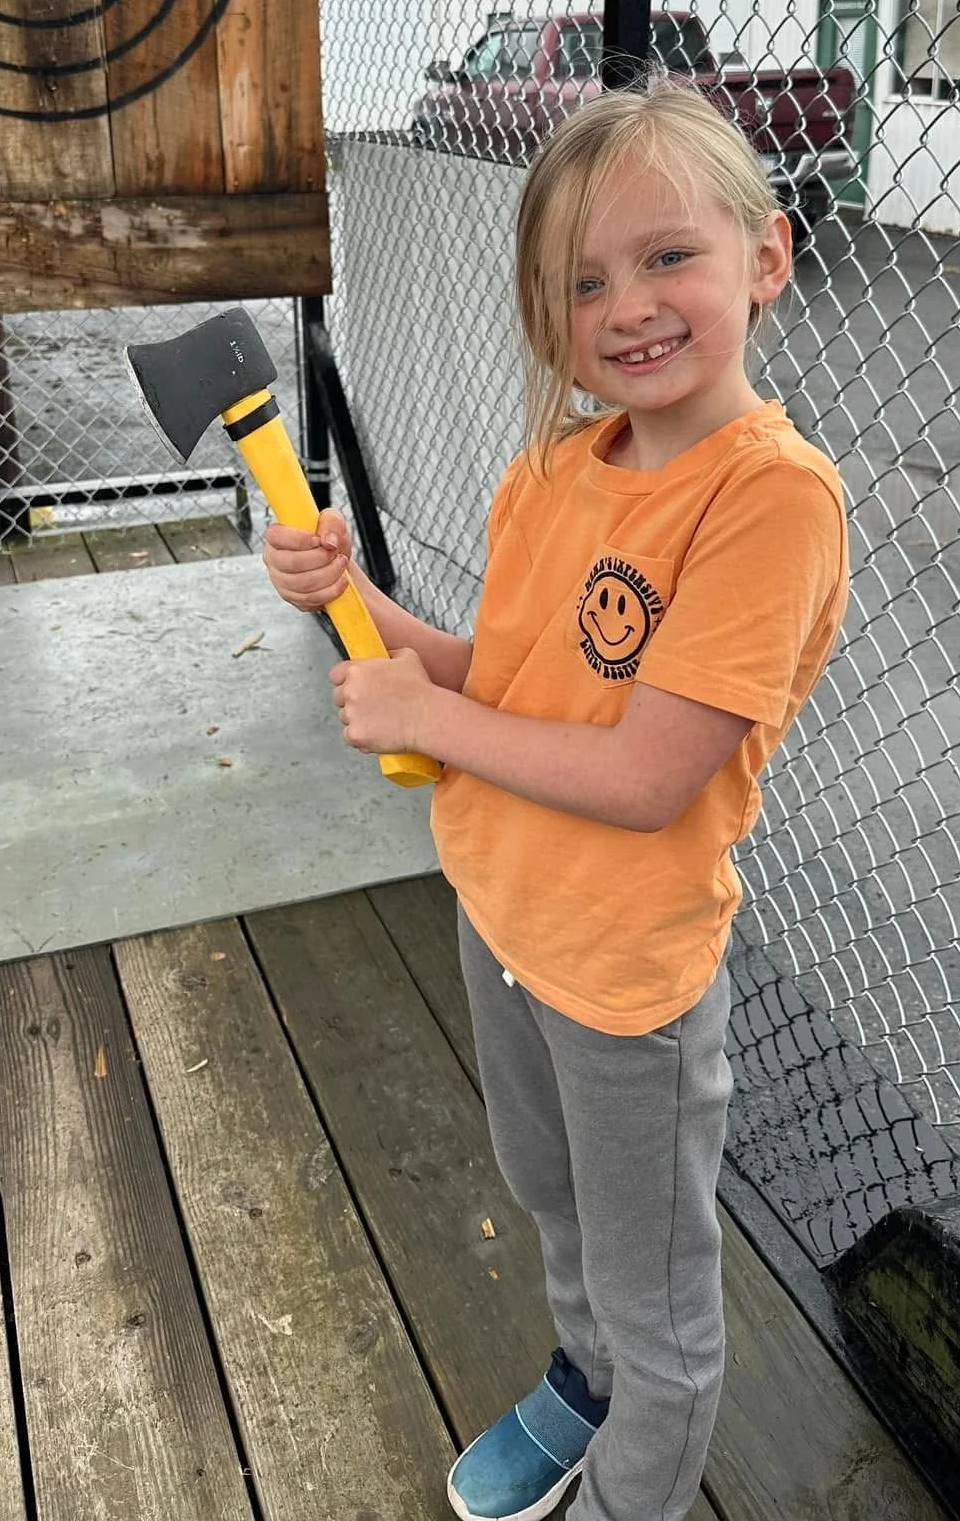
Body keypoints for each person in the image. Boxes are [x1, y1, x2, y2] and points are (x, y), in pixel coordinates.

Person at [262, 82, 850, 1521]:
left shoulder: (769, 501)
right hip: (506, 922)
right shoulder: (550, 473)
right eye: (582, 281)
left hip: (624, 981)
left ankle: (627, 1488)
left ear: (764, 261)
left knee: (665, 1307)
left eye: (667, 258)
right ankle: (584, 1381)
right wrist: (363, 609)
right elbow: (506, 684)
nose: (627, 306)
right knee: (552, 1194)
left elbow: (650, 779)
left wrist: (430, 717)